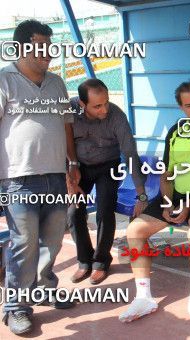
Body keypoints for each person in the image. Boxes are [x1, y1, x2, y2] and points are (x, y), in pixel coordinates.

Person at [118, 80, 190, 322]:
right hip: (177, 195)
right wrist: (169, 201)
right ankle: (144, 297)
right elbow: (167, 174)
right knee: (135, 231)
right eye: (189, 105)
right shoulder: (175, 132)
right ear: (181, 108)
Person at [0, 20, 78, 335]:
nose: (47, 51)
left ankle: (44, 287)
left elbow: (66, 124)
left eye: (49, 45)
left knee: (54, 241)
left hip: (57, 176)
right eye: (40, 45)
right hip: (18, 179)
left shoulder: (57, 82)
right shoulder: (5, 81)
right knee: (23, 243)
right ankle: (16, 308)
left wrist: (73, 163)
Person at [67, 78, 148, 285]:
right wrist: (69, 177)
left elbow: (130, 153)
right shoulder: (69, 112)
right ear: (82, 104)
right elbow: (59, 145)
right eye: (97, 106)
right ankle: (84, 261)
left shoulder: (116, 115)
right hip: (80, 167)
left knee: (105, 209)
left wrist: (141, 194)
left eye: (106, 102)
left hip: (108, 166)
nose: (104, 109)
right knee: (73, 212)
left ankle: (101, 262)